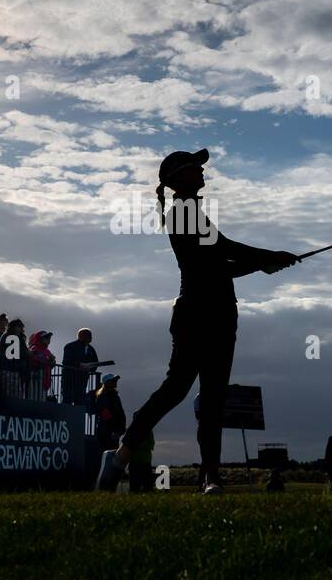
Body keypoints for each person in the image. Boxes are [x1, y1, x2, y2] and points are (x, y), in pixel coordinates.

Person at [97, 148, 300, 494]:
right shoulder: (182, 212)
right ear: (179, 177)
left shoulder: (193, 211)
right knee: (176, 389)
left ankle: (210, 476)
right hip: (195, 314)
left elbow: (222, 267)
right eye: (196, 167)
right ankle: (122, 454)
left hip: (221, 313)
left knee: (214, 397)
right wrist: (269, 257)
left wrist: (265, 265)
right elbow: (224, 249)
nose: (203, 171)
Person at [61, 328, 99, 404]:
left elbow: (95, 362)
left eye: (90, 336)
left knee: (80, 402)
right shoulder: (70, 346)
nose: (90, 338)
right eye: (88, 336)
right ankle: (65, 415)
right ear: (80, 336)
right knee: (67, 400)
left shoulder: (91, 349)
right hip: (70, 379)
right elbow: (66, 361)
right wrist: (80, 365)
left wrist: (91, 368)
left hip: (82, 379)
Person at [92, 373, 127, 452]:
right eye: (113, 380)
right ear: (107, 383)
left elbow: (120, 413)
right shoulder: (103, 396)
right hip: (107, 432)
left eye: (115, 380)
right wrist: (114, 430)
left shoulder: (115, 396)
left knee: (112, 455)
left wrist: (121, 428)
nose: (115, 382)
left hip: (113, 432)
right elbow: (105, 415)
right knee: (107, 454)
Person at [28, 330, 57, 398]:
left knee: (42, 398)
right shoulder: (34, 348)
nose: (48, 339)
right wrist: (47, 361)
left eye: (49, 337)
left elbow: (51, 364)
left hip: (45, 380)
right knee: (34, 399)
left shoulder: (47, 351)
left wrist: (53, 362)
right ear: (40, 339)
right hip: (36, 379)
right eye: (46, 337)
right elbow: (33, 360)